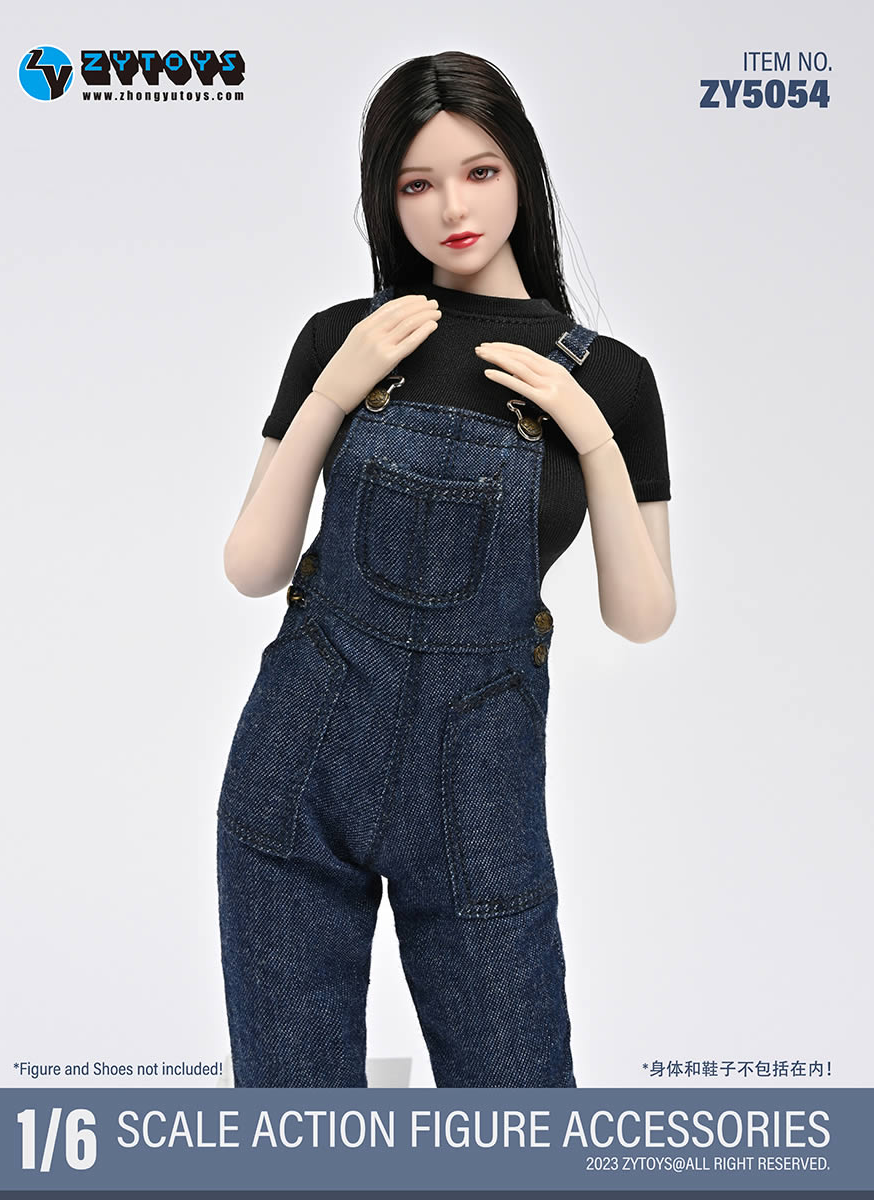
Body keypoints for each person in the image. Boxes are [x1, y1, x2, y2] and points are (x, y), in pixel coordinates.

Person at [216, 50, 676, 1088]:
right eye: (416, 184)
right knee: (294, 1135)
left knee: (520, 1121)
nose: (452, 209)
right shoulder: (344, 338)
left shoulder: (612, 378)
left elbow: (642, 613)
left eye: (479, 172)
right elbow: (252, 565)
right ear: (386, 199)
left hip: (480, 791)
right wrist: (331, 392)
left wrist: (591, 433)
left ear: (523, 170)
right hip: (299, 760)